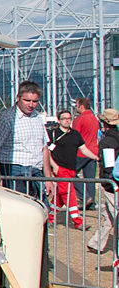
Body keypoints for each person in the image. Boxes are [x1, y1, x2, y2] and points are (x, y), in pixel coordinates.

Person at [0, 81, 57, 209]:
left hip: (35, 172)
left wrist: (48, 178)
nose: (31, 105)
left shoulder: (38, 117)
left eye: (35, 101)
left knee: (41, 211)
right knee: (18, 211)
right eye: (27, 100)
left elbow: (44, 148)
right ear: (18, 98)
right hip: (13, 172)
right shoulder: (6, 118)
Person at [48, 110, 95, 228]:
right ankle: (78, 221)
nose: (67, 120)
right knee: (69, 193)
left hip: (71, 169)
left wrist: (96, 157)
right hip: (60, 168)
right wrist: (55, 166)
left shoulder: (75, 134)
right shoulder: (53, 134)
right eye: (64, 118)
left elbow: (84, 149)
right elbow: (47, 151)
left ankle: (50, 217)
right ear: (59, 120)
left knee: (60, 195)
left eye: (69, 118)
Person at [88, 109, 119, 253]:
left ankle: (97, 243)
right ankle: (96, 243)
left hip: (111, 184)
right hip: (113, 182)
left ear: (104, 123)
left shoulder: (107, 141)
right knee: (109, 215)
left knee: (114, 214)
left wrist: (106, 181)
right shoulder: (116, 137)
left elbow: (109, 165)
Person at [73, 97, 101, 210]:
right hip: (93, 151)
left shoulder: (80, 119)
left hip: (81, 152)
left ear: (81, 105)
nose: (75, 108)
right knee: (90, 179)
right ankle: (92, 202)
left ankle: (85, 197)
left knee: (70, 173)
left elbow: (74, 135)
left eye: (76, 105)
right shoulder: (94, 118)